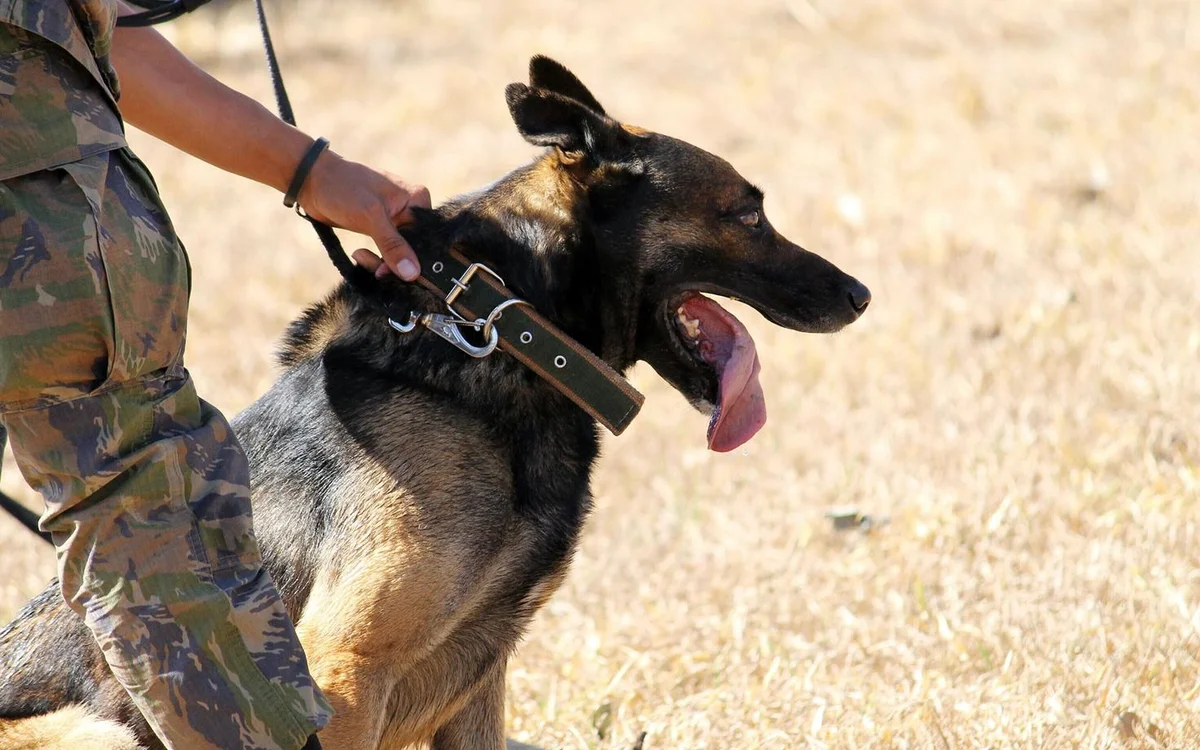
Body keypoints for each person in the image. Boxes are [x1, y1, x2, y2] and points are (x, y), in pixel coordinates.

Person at [0, 1, 428, 747]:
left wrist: (313, 170)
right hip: (43, 219)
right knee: (150, 526)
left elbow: (105, 36)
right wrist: (312, 171)